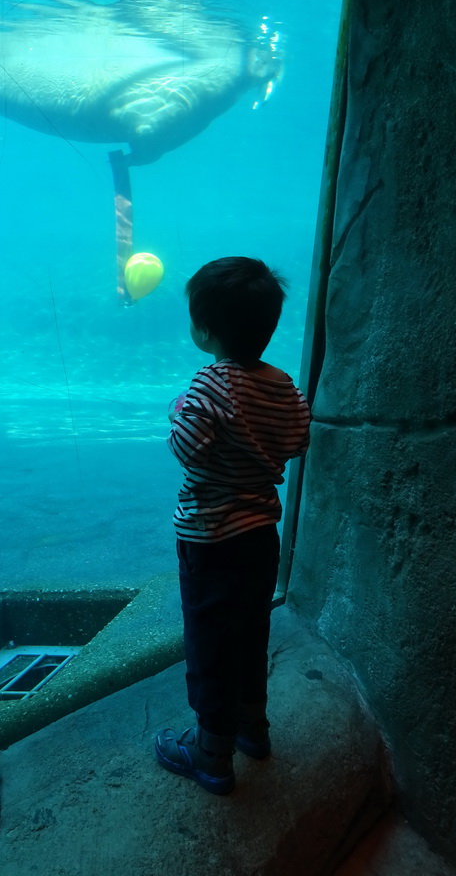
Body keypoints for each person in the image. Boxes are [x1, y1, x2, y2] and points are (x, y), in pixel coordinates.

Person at [154, 256, 311, 795]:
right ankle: (252, 730)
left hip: (210, 539)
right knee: (248, 634)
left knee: (209, 642)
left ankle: (210, 753)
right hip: (260, 536)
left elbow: (187, 449)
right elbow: (296, 440)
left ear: (204, 331)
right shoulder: (283, 385)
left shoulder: (208, 384)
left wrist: (179, 409)